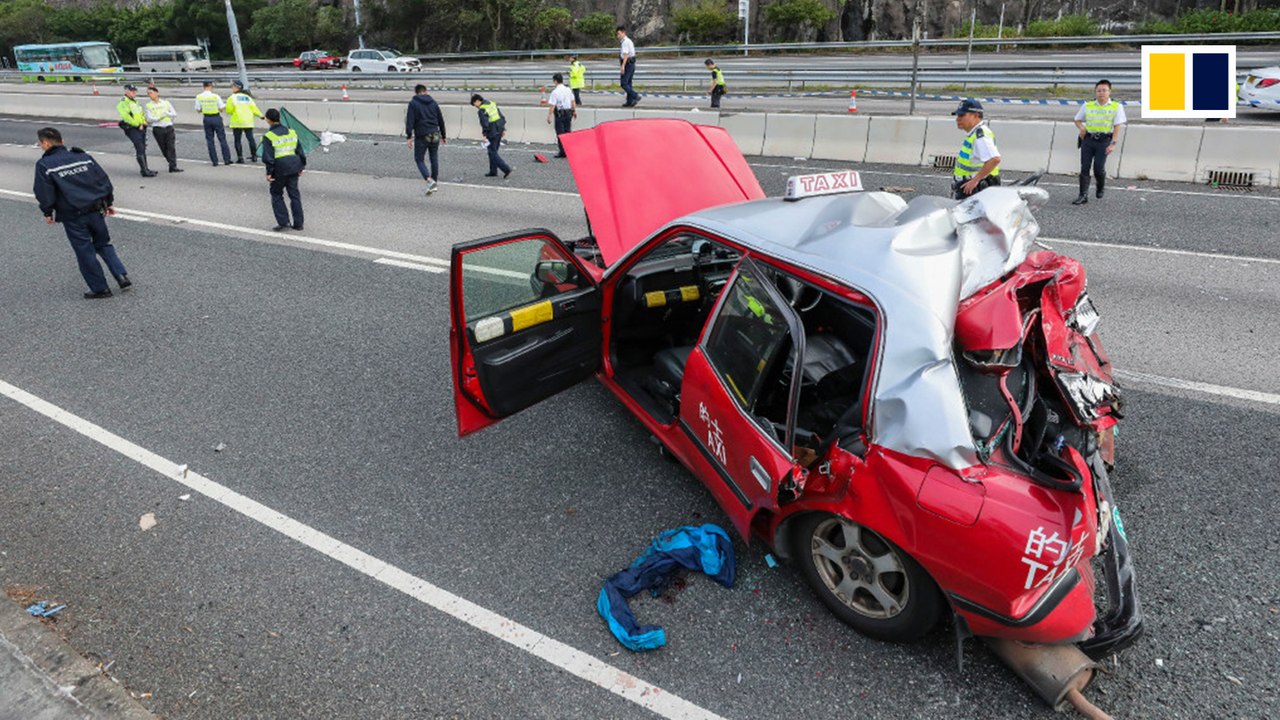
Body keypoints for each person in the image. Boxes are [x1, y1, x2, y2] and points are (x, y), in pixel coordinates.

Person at [32, 127, 131, 298]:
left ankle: (100, 288)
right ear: (62, 141)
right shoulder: (83, 157)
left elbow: (44, 193)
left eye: (41, 144)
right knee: (103, 243)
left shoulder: (44, 165)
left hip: (73, 215)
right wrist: (108, 202)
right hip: (96, 209)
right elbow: (103, 179)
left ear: (46, 143)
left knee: (84, 250)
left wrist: (47, 212)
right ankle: (120, 275)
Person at [1072, 79, 1126, 205]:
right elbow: (1077, 120)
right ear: (1095, 92)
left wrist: (1113, 144)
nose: (1101, 93)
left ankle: (1100, 186)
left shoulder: (1116, 106)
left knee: (1098, 168)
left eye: (1104, 90)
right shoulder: (1088, 105)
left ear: (1109, 92)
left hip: (1104, 141)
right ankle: (1083, 195)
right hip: (1088, 140)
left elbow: (1117, 126)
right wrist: (1082, 128)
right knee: (1084, 167)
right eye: (1099, 91)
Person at [261, 108, 306, 231]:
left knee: (276, 194)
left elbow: (268, 157)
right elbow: (300, 151)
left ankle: (283, 221)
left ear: (268, 120)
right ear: (279, 118)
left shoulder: (268, 136)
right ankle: (298, 224)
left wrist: (269, 172)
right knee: (294, 195)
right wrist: (302, 166)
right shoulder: (292, 132)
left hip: (279, 169)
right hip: (294, 166)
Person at [950, 99, 1001, 200]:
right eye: (957, 116)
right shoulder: (973, 134)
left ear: (976, 115)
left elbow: (995, 159)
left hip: (976, 190)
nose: (957, 119)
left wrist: (975, 181)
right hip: (969, 188)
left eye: (962, 115)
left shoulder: (980, 136)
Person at [405, 84, 447, 195]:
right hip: (435, 133)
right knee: (434, 158)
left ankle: (429, 180)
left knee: (419, 159)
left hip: (422, 135)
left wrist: (409, 136)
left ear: (416, 92)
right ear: (426, 91)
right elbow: (440, 120)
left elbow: (410, 121)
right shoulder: (433, 102)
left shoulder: (413, 103)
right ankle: (434, 184)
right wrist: (444, 135)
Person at [116, 84, 157, 177]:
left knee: (142, 147)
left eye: (135, 91)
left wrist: (143, 122)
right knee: (139, 147)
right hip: (132, 128)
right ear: (126, 91)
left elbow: (139, 114)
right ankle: (144, 171)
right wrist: (138, 125)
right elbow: (126, 117)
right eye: (132, 91)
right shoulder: (124, 102)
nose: (134, 92)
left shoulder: (135, 102)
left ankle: (145, 169)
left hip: (141, 127)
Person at [471, 94, 512, 179]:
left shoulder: (482, 110)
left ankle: (506, 168)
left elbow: (484, 123)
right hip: (499, 128)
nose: (475, 107)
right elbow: (501, 116)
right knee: (494, 151)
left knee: (492, 152)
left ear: (477, 101)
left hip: (492, 131)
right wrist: (503, 128)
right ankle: (493, 171)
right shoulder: (492, 103)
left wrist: (485, 134)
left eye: (474, 104)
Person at [143, 86, 182, 174]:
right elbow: (149, 118)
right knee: (163, 148)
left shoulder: (166, 103)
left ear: (157, 93)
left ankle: (173, 166)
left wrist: (167, 114)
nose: (149, 95)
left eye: (151, 93)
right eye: (148, 93)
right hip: (158, 128)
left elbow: (174, 114)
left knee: (171, 147)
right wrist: (159, 118)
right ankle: (170, 161)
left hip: (168, 127)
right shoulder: (148, 105)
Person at [226, 80, 265, 164]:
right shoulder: (248, 98)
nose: (232, 88)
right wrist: (261, 115)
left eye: (233, 86)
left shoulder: (232, 98)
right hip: (248, 121)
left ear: (237, 87)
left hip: (237, 121)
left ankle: (240, 158)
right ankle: (254, 156)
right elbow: (254, 108)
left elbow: (228, 110)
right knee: (250, 139)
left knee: (237, 140)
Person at [195, 81, 233, 166]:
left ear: (203, 87)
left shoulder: (199, 97)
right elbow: (222, 108)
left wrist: (205, 110)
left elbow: (198, 109)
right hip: (216, 118)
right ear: (210, 86)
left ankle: (214, 161)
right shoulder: (215, 96)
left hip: (207, 118)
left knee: (210, 140)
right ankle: (227, 159)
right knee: (222, 139)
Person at [546, 72, 576, 158]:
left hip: (560, 115)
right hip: (568, 113)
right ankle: (569, 150)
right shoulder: (568, 89)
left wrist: (549, 116)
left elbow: (552, 105)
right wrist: (574, 111)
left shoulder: (555, 92)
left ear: (555, 81)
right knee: (568, 132)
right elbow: (573, 101)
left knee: (560, 134)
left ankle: (563, 152)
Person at [617, 26, 640, 107]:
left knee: (624, 83)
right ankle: (629, 101)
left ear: (623, 33)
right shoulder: (627, 41)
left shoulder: (625, 42)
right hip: (630, 63)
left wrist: (623, 66)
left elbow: (625, 54)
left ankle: (635, 95)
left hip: (628, 64)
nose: (618, 36)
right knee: (629, 83)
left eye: (619, 34)